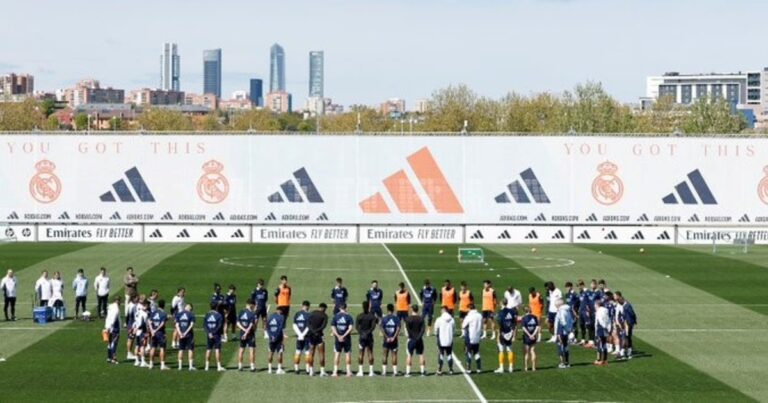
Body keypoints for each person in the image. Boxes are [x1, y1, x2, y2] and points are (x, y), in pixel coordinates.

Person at [331, 303, 354, 377]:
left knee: (337, 354)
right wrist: (344, 336)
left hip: (338, 339)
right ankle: (348, 372)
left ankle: (335, 372)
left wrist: (338, 336)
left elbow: (333, 328)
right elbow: (350, 328)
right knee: (347, 354)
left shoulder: (335, 316)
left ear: (339, 308)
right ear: (346, 308)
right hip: (347, 338)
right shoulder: (349, 317)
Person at [355, 300, 377, 377]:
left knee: (361, 353)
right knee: (370, 352)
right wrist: (367, 333)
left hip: (362, 337)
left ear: (362, 307)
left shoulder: (359, 316)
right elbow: (373, 327)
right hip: (369, 336)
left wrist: (362, 333)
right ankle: (371, 372)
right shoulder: (372, 316)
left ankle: (360, 372)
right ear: (369, 307)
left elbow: (357, 327)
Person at [495, 299, 517, 373]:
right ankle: (511, 367)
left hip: (503, 333)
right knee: (510, 350)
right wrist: (513, 333)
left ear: (502, 303)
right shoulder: (512, 311)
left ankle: (501, 368)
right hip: (510, 333)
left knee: (501, 350)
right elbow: (514, 323)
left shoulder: (500, 312)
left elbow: (500, 325)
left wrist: (498, 335)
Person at [307, 302, 329, 376]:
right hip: (319, 335)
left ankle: (311, 371)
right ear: (323, 308)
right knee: (321, 354)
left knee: (311, 353)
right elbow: (323, 326)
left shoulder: (312, 313)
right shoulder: (325, 316)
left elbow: (308, 323)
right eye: (325, 309)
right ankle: (322, 371)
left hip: (311, 335)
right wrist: (317, 332)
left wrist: (313, 331)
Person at [405, 304, 427, 377]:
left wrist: (413, 336)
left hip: (411, 339)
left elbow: (408, 330)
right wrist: (418, 337)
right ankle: (422, 372)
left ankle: (408, 372)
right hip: (419, 339)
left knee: (409, 355)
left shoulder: (408, 319)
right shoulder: (421, 318)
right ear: (417, 310)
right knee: (421, 355)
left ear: (412, 309)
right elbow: (423, 329)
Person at [434, 305, 456, 375]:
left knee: (441, 354)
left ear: (443, 310)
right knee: (449, 354)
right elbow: (454, 329)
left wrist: (436, 334)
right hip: (449, 339)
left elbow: (436, 329)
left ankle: (439, 370)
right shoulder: (452, 319)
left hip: (441, 339)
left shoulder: (439, 319)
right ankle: (451, 369)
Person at [461, 303, 483, 374]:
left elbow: (463, 325)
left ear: (469, 308)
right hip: (477, 336)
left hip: (470, 336)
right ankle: (479, 368)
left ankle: (468, 369)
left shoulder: (469, 316)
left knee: (469, 352)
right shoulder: (480, 315)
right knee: (476, 352)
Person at [148, 299, 169, 370]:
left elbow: (149, 322)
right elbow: (162, 324)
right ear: (164, 305)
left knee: (153, 347)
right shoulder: (163, 313)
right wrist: (156, 330)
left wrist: (152, 331)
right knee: (162, 348)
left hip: (153, 333)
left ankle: (151, 364)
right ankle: (162, 365)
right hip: (160, 333)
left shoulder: (153, 313)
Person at [204, 303, 225, 372]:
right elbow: (219, 326)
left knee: (208, 349)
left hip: (209, 335)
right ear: (216, 307)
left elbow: (205, 325)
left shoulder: (207, 315)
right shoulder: (219, 315)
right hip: (216, 335)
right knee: (217, 350)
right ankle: (219, 367)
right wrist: (214, 333)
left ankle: (206, 367)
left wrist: (209, 333)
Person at [380, 303, 401, 376]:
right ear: (393, 309)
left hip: (386, 340)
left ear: (387, 309)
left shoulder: (384, 318)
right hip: (394, 340)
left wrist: (387, 337)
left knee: (385, 355)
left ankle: (384, 372)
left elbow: (382, 329)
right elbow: (398, 329)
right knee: (394, 355)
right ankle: (395, 372)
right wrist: (394, 337)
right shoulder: (396, 318)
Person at [237, 299, 257, 372]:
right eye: (253, 305)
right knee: (251, 350)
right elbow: (251, 325)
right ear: (251, 305)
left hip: (242, 333)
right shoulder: (252, 314)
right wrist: (246, 332)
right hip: (250, 334)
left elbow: (238, 323)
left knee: (241, 350)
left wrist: (244, 330)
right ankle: (252, 366)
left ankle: (240, 366)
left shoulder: (241, 312)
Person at [616, 291, 637, 359]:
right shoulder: (625, 306)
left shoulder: (627, 306)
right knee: (627, 338)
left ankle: (623, 353)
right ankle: (628, 353)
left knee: (625, 338)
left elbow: (632, 314)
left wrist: (630, 323)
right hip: (626, 324)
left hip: (628, 324)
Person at [175, 303, 196, 371]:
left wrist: (180, 333)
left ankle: (180, 366)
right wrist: (185, 333)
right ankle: (190, 366)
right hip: (189, 335)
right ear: (190, 308)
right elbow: (191, 325)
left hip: (181, 335)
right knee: (190, 349)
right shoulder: (191, 315)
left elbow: (177, 325)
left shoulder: (179, 314)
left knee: (181, 349)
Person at [293, 300, 312, 374]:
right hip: (306, 336)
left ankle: (296, 369)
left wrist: (299, 335)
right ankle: (307, 370)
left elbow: (294, 325)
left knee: (298, 351)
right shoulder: (309, 315)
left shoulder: (297, 314)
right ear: (307, 306)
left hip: (299, 336)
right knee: (307, 352)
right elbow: (308, 327)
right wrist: (303, 335)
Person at [554, 301, 574, 369]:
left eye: (556, 306)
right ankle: (567, 362)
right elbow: (571, 320)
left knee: (560, 346)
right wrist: (570, 330)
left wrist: (558, 333)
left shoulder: (561, 311)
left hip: (561, 331)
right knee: (566, 347)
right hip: (567, 332)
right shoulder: (568, 310)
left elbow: (562, 321)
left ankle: (562, 363)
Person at [266, 310, 286, 374]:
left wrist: (271, 336)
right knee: (279, 353)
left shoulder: (269, 317)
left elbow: (267, 328)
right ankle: (279, 369)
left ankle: (269, 369)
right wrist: (276, 337)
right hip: (279, 338)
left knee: (270, 352)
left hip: (271, 338)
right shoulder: (281, 317)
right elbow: (280, 328)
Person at [521, 306, 540, 371]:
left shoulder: (524, 318)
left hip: (526, 337)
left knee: (526, 352)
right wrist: (533, 335)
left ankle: (526, 367)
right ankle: (533, 367)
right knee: (533, 351)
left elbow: (523, 328)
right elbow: (537, 327)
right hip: (533, 336)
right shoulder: (535, 317)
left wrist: (529, 335)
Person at [103, 296, 121, 364]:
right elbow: (113, 319)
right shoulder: (116, 309)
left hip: (108, 326)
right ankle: (114, 358)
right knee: (114, 343)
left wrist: (107, 327)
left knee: (110, 343)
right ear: (118, 301)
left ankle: (109, 357)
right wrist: (110, 326)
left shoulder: (110, 307)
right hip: (114, 328)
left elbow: (108, 317)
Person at [132, 300, 150, 368]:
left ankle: (137, 361)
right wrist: (146, 332)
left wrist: (135, 328)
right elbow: (142, 324)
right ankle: (143, 361)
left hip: (137, 332)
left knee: (137, 345)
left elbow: (136, 322)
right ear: (145, 305)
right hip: (142, 331)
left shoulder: (138, 312)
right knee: (142, 346)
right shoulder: (144, 314)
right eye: (147, 305)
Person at [594, 299, 611, 366]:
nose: (594, 306)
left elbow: (600, 321)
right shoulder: (606, 310)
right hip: (605, 329)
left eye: (595, 305)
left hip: (600, 329)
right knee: (604, 344)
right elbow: (608, 320)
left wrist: (604, 327)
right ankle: (605, 359)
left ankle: (599, 360)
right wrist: (608, 328)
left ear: (597, 305)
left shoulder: (599, 311)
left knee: (599, 344)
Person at [125, 296, 138, 361]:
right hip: (132, 324)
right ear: (133, 298)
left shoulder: (131, 305)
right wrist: (130, 326)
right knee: (130, 339)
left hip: (131, 324)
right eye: (136, 298)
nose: (137, 299)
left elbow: (127, 316)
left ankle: (129, 352)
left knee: (131, 338)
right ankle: (129, 353)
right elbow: (131, 316)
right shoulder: (132, 306)